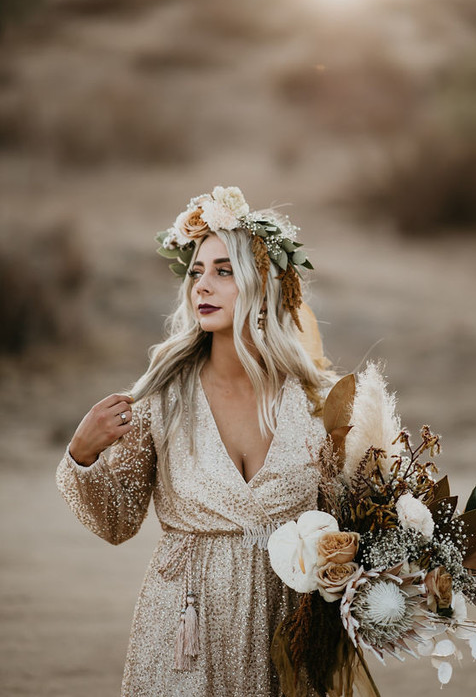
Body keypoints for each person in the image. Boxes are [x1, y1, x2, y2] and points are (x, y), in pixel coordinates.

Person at [56, 185, 334, 697]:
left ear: (263, 288)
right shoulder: (161, 400)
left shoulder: (314, 404)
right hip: (184, 628)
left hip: (288, 630)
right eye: (196, 272)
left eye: (223, 271)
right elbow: (117, 523)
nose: (202, 286)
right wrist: (83, 454)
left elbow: (347, 524)